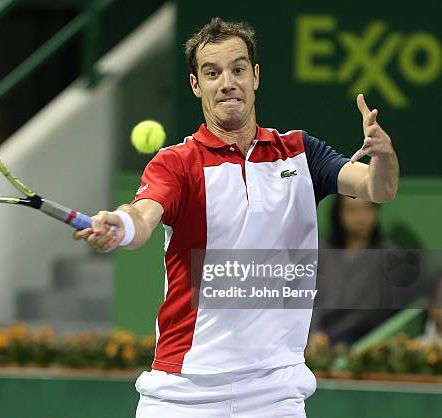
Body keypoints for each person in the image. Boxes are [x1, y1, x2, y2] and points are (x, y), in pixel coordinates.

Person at [74, 18, 399, 418]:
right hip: (182, 391)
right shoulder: (175, 163)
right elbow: (143, 218)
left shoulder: (300, 153)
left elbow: (378, 189)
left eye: (238, 69)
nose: (227, 82)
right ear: (196, 85)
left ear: (255, 76)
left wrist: (384, 155)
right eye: (212, 73)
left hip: (274, 390)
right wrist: (120, 226)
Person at [311, 196, 399, 345]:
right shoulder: (323, 252)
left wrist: (329, 336)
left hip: (363, 339)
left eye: (367, 208)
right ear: (339, 214)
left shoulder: (390, 256)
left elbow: (371, 313)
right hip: (316, 337)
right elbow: (311, 298)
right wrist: (314, 332)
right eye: (351, 210)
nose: (360, 217)